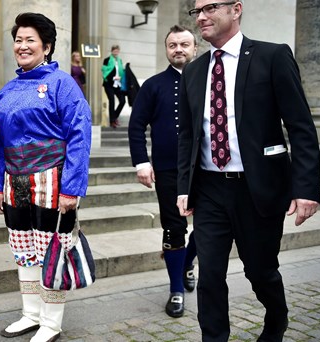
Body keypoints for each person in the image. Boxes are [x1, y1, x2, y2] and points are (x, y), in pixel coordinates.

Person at [176, 1, 320, 341]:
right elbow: (188, 136)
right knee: (210, 274)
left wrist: (306, 189)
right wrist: (185, 186)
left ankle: (277, 319)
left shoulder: (272, 57)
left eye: (209, 7)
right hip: (210, 188)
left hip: (258, 188)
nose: (200, 17)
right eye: (196, 11)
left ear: (236, 9)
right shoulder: (195, 72)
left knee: (260, 271)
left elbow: (301, 126)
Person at [0, 12, 92, 342]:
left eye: (29, 40)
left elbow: (79, 134)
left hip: (52, 180)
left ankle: (51, 321)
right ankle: (30, 313)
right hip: (14, 181)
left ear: (46, 46)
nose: (22, 46)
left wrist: (72, 187)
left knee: (52, 251)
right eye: (18, 40)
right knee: (23, 250)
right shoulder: (5, 91)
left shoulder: (62, 83)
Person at [128, 25, 199, 319]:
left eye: (184, 44)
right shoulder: (154, 85)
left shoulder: (209, 82)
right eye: (173, 45)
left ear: (195, 48)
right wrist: (142, 162)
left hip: (206, 168)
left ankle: (186, 263)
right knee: (174, 228)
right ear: (167, 49)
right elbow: (136, 125)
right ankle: (176, 290)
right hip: (168, 170)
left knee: (210, 227)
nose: (178, 49)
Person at [102, 44, 125, 128]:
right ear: (112, 51)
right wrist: (113, 77)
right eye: (114, 50)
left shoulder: (120, 60)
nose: (116, 52)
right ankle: (112, 121)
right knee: (112, 101)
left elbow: (121, 71)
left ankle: (114, 117)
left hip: (118, 83)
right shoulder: (107, 60)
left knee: (122, 101)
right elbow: (104, 71)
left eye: (117, 50)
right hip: (109, 84)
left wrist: (120, 77)